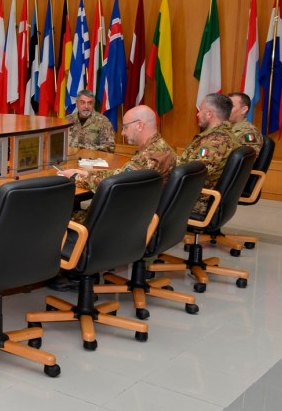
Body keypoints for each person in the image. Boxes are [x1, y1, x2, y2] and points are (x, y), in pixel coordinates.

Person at [50, 104, 175, 291]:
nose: (123, 133)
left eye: (125, 127)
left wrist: (76, 177)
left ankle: (77, 274)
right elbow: (122, 175)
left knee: (58, 219)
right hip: (138, 218)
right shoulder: (161, 149)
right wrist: (85, 171)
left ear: (140, 125)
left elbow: (117, 183)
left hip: (122, 223)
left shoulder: (149, 156)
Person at [178, 93, 240, 216]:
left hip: (197, 200)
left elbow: (193, 174)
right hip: (202, 196)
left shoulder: (215, 141)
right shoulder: (226, 134)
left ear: (209, 114)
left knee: (145, 198)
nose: (197, 114)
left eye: (200, 110)